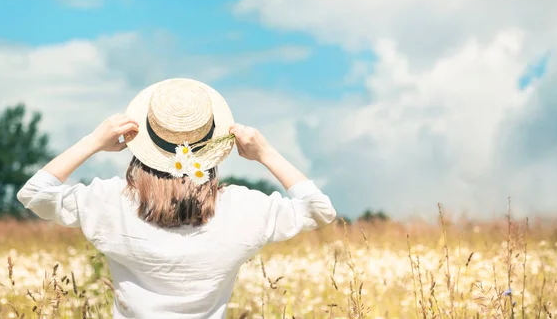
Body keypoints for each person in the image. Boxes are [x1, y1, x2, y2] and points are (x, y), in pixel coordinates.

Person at [17, 78, 337, 318]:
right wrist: (265, 153)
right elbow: (319, 211)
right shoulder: (243, 209)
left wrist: (93, 142)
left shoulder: (109, 202)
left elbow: (35, 193)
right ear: (214, 144)